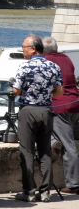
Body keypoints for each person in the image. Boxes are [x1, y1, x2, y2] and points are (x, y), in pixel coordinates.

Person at [13, 35, 64, 202]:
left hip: (28, 111)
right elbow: (59, 92)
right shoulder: (54, 67)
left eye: (24, 47)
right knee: (45, 152)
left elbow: (16, 91)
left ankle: (29, 192)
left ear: (33, 48)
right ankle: (45, 192)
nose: (23, 50)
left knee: (26, 151)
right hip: (46, 112)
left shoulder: (24, 67)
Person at [43, 36, 79, 194]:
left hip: (60, 105)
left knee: (68, 144)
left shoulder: (46, 61)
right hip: (75, 104)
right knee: (57, 131)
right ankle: (54, 141)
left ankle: (73, 185)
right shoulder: (66, 58)